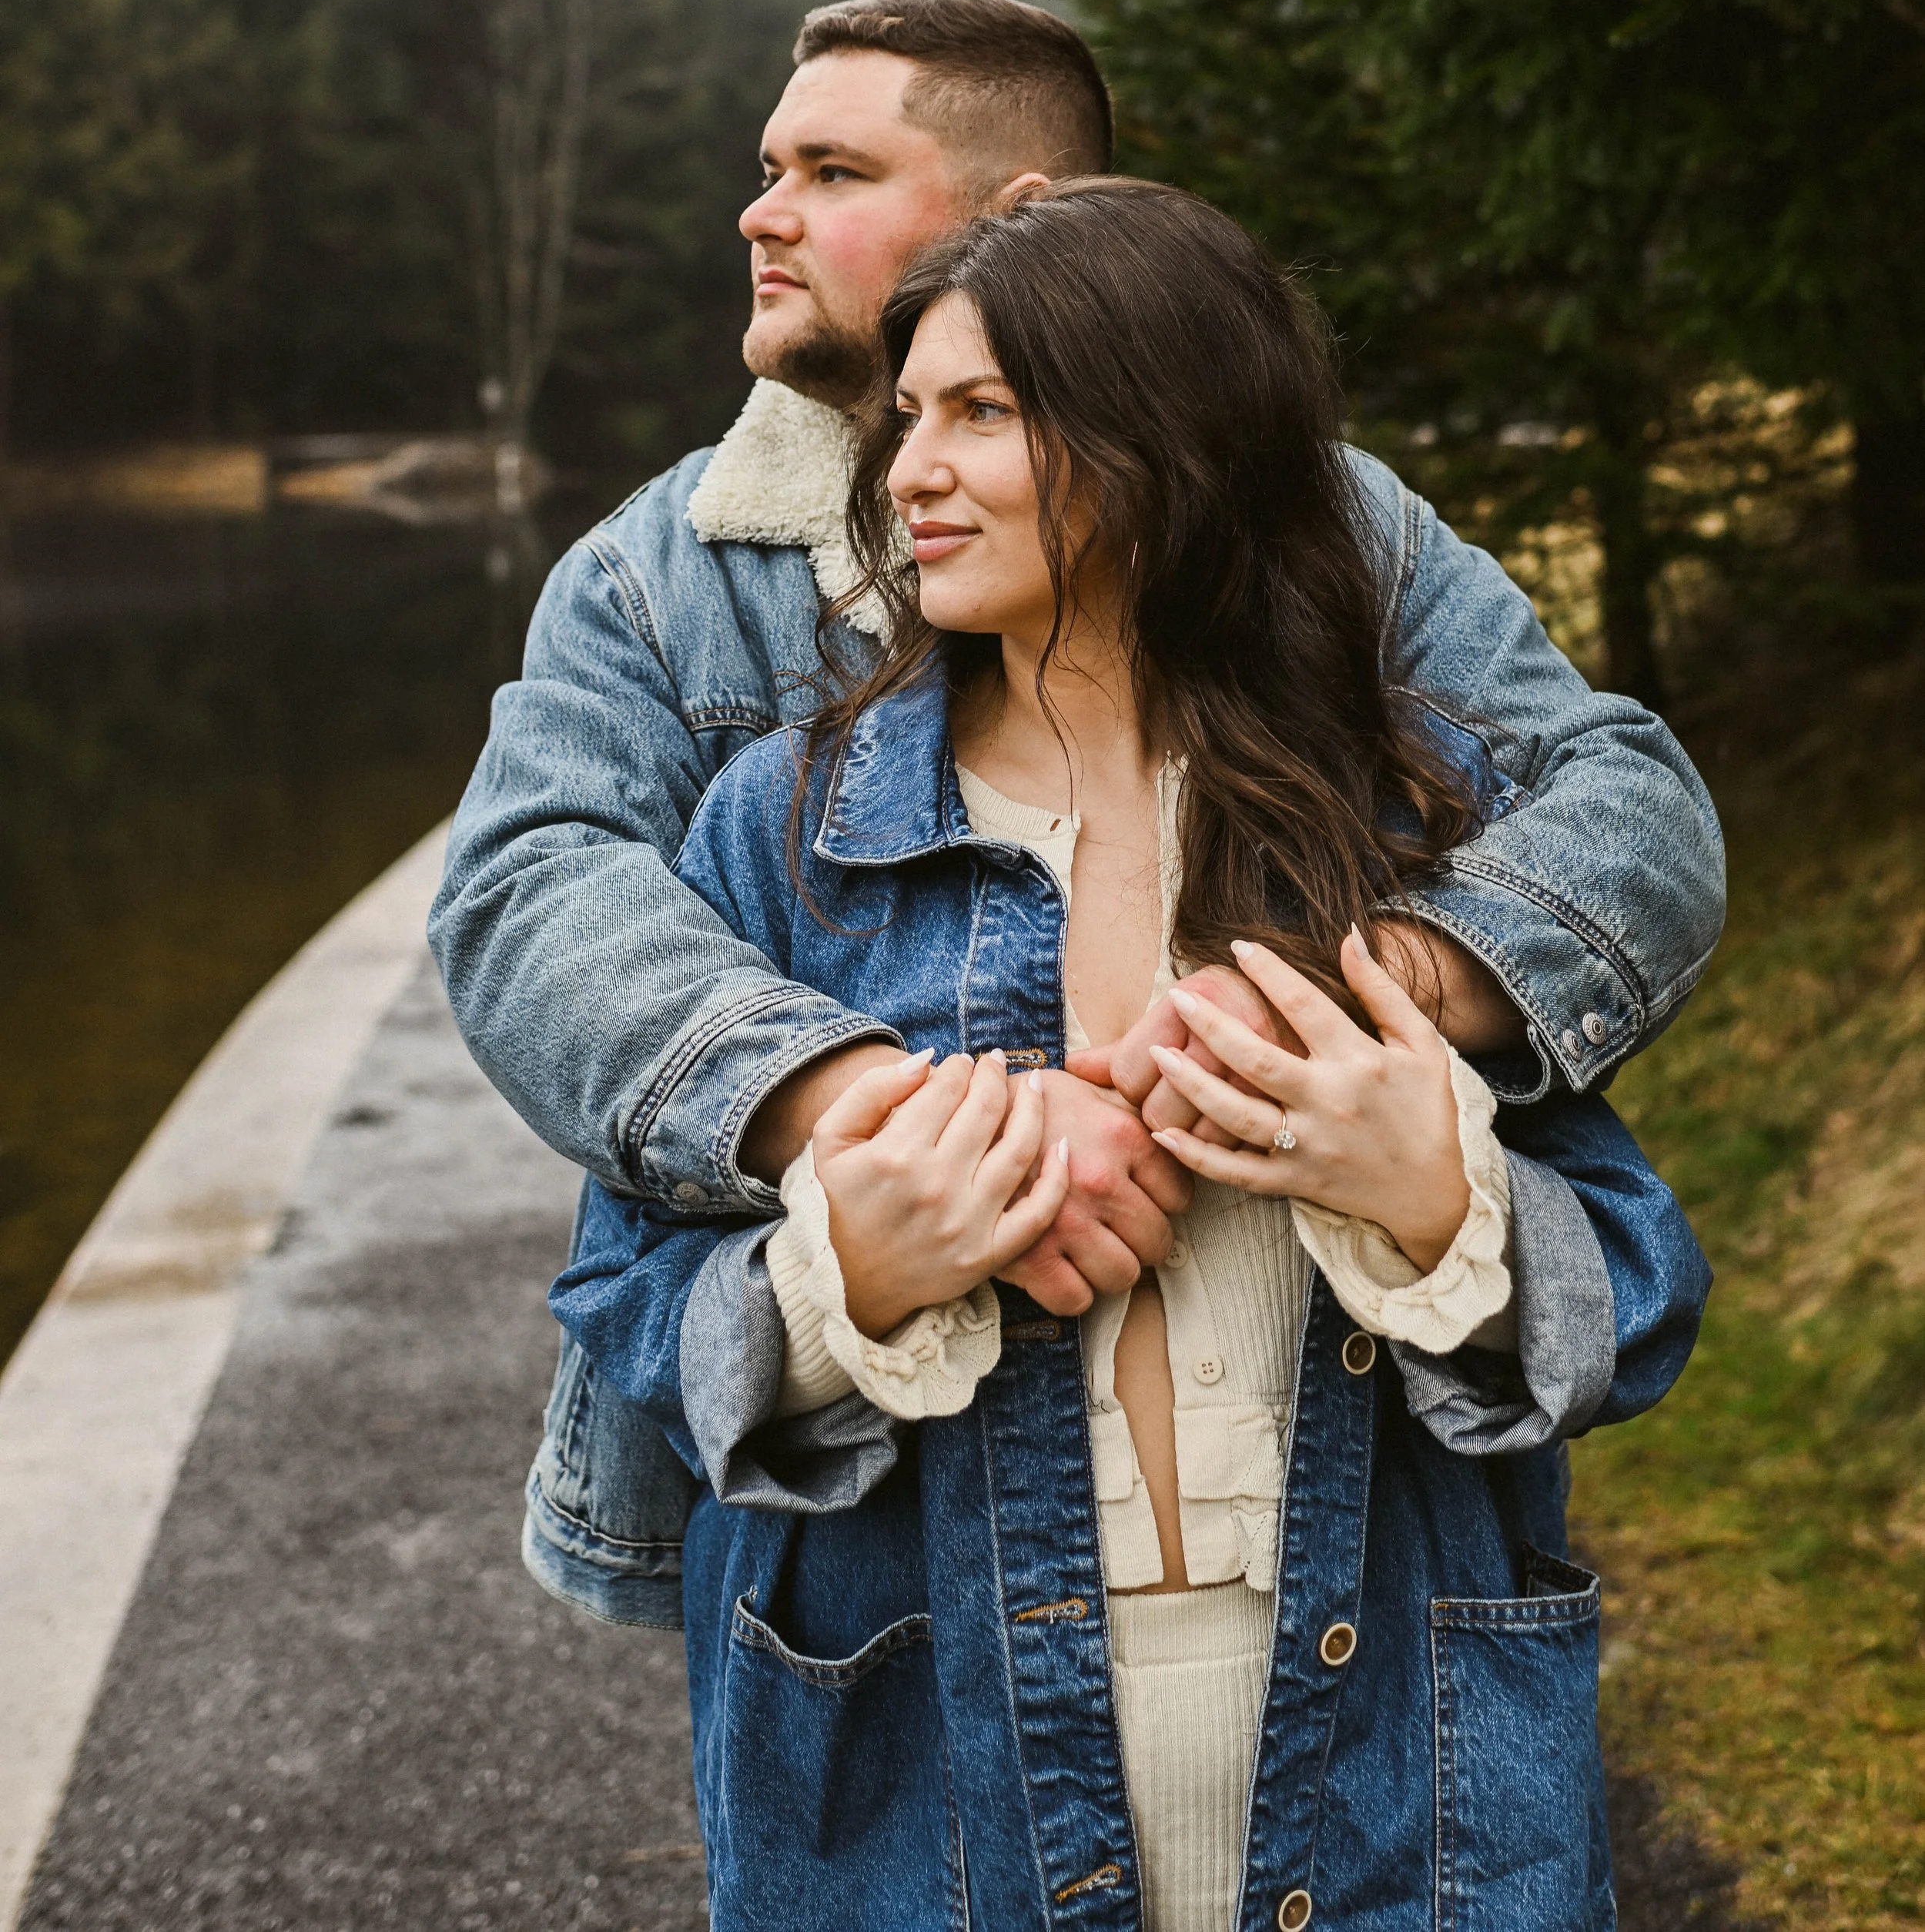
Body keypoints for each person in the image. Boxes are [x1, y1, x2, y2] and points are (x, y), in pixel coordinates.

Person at [428, 0, 1725, 1628]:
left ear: (1022, 219)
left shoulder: (1318, 518)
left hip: (1310, 1509)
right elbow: (526, 895)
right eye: (767, 165)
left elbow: (1622, 804)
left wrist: (1344, 1009)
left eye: (832, 170)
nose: (760, 212)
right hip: (824, 1478)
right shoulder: (653, 574)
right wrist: (891, 1119)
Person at [551, 180, 1710, 1932]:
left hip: (1400, 1784)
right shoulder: (774, 838)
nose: (904, 474)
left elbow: (1639, 1301)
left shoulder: (1393, 832)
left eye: (979, 415)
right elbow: (625, 1309)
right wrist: (843, 1275)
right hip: (927, 1810)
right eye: (904, 420)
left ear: (1162, 440)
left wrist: (1432, 1197)